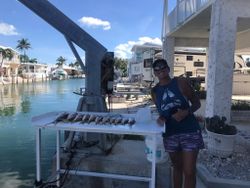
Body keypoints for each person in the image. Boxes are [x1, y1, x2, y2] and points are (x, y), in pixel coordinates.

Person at [151, 59, 204, 188]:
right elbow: (162, 111)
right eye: (157, 69)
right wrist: (161, 118)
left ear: (168, 69)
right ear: (154, 73)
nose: (161, 71)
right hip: (170, 133)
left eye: (163, 68)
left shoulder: (181, 82)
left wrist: (187, 112)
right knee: (177, 168)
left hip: (189, 131)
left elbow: (197, 103)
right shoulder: (154, 91)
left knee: (189, 171)